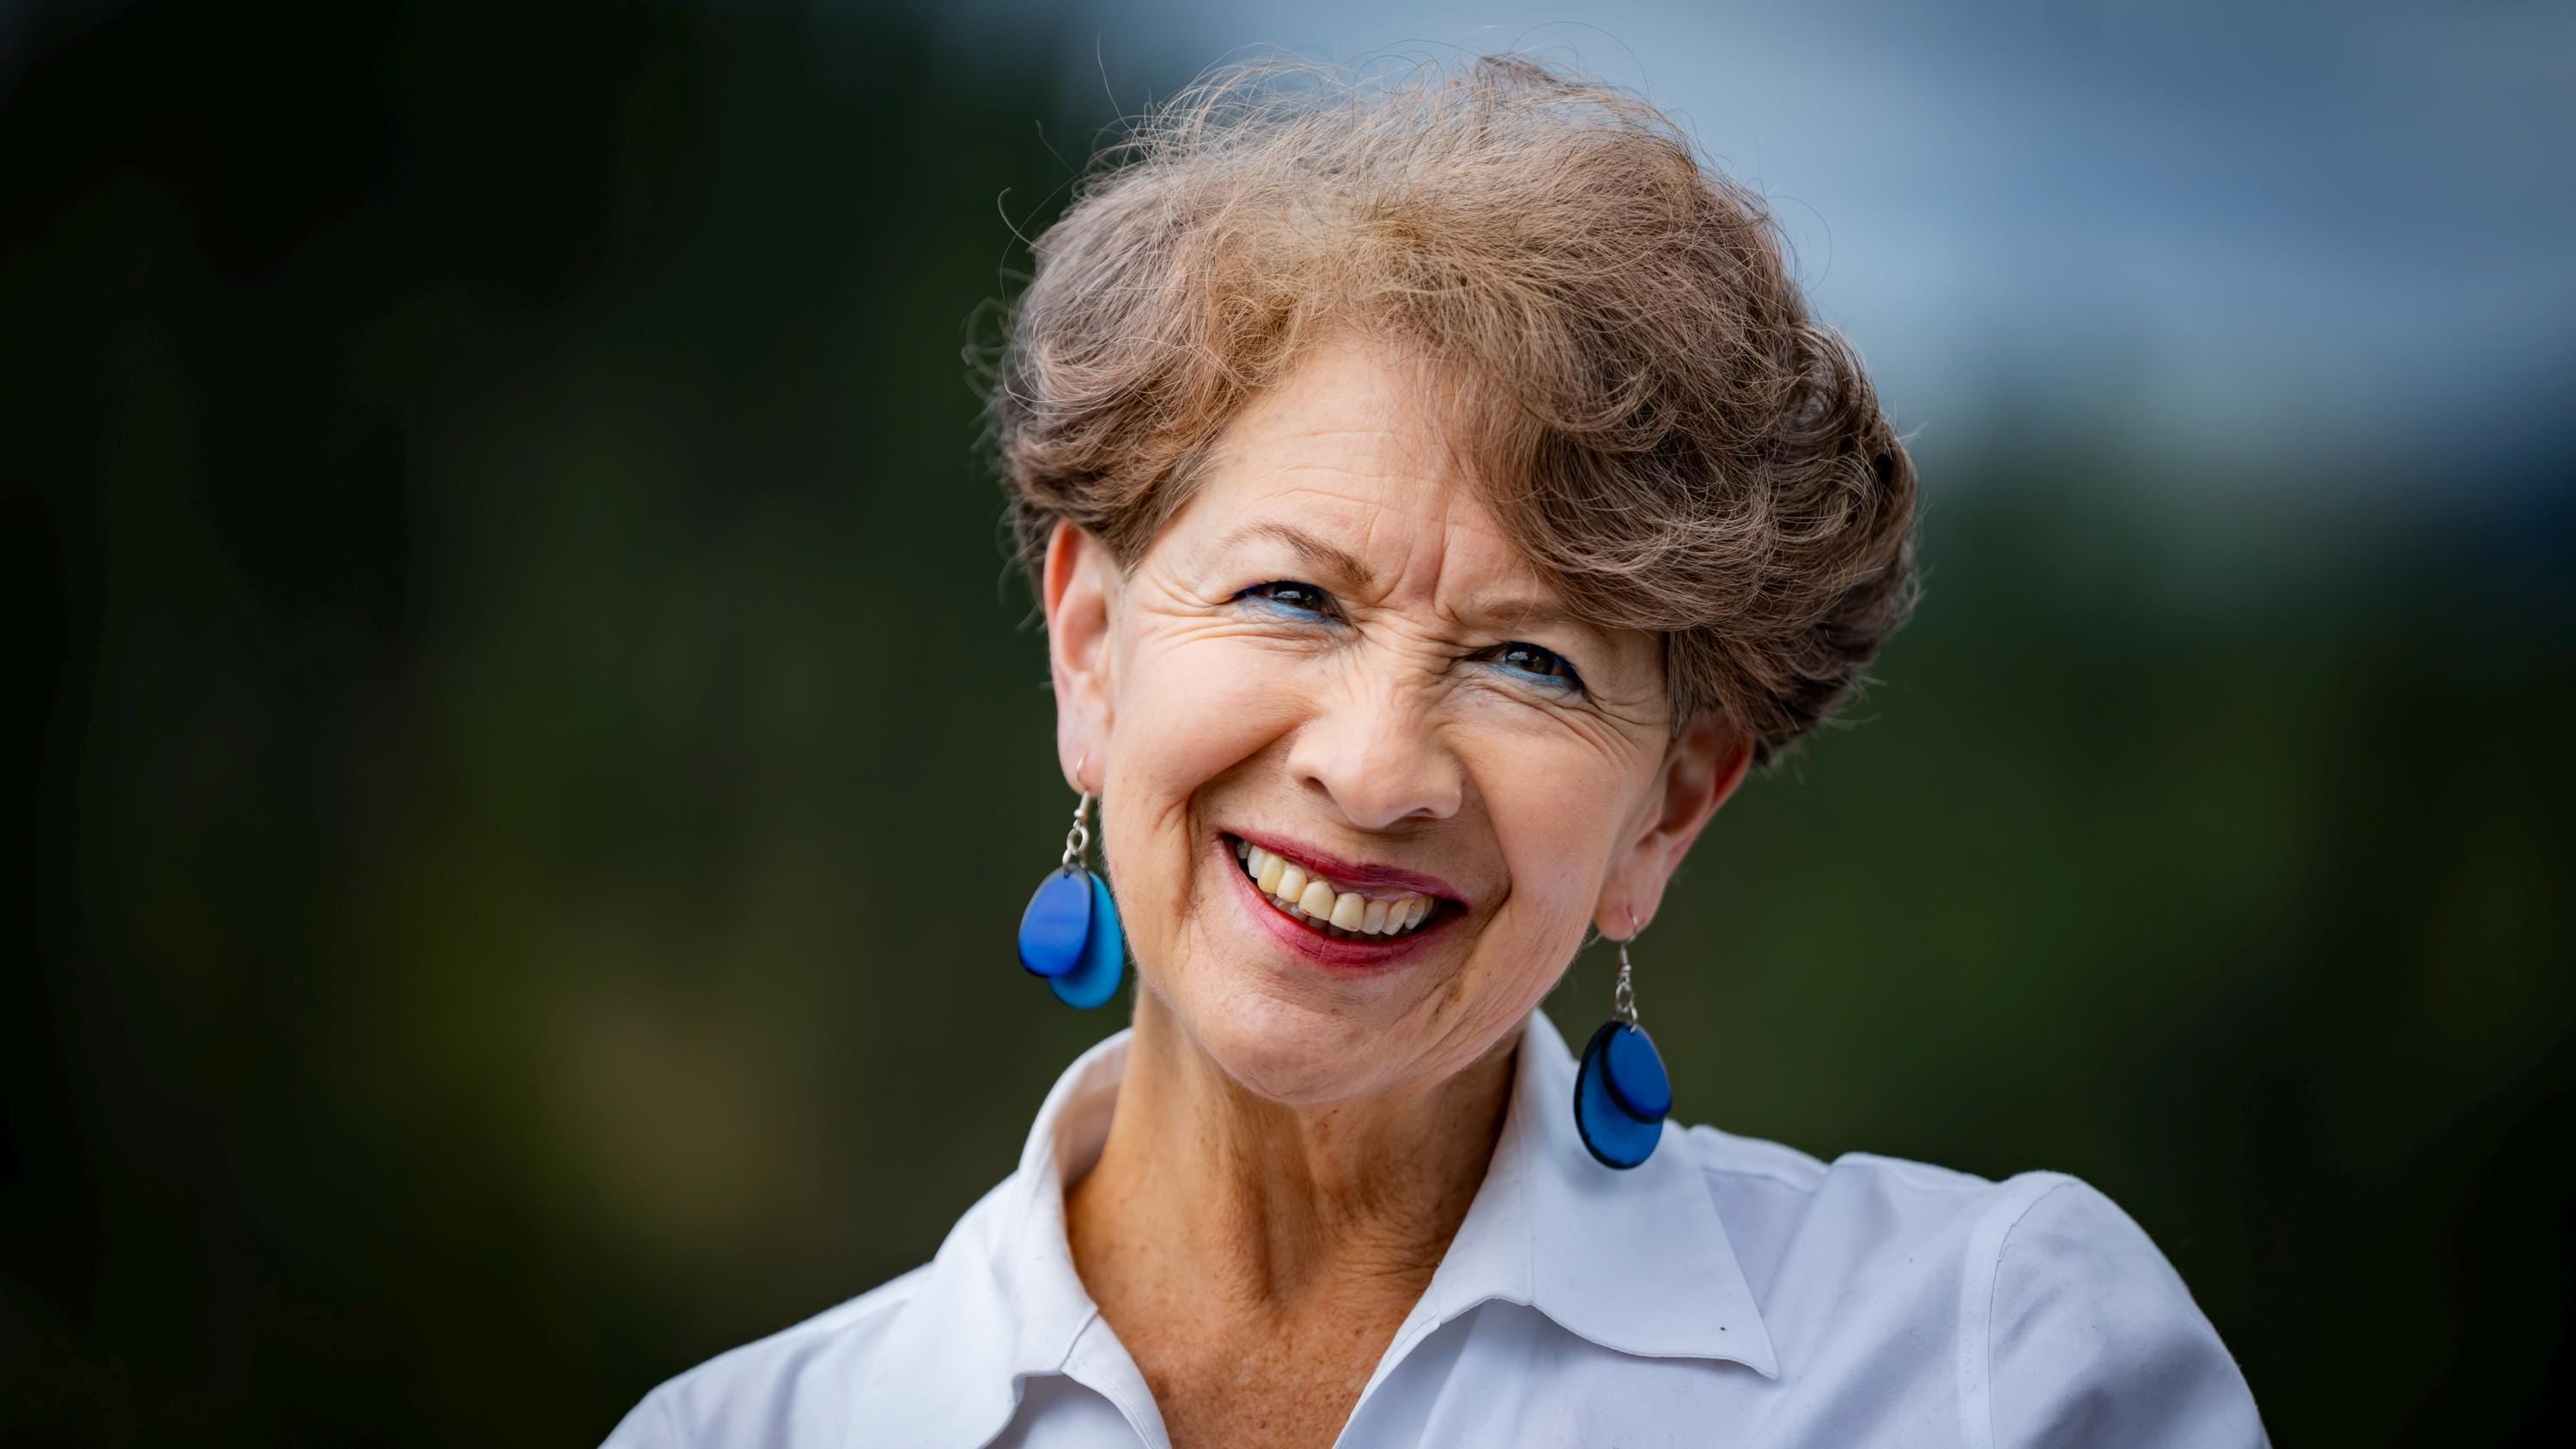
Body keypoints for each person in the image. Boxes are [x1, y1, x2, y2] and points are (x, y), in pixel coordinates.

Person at [606, 55, 2266, 1448]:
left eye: (1531, 661)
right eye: (1291, 597)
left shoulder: (1991, 1371)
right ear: (1094, 652)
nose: (1377, 766)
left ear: (1668, 811)